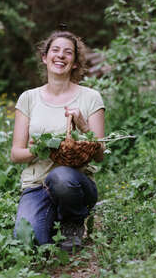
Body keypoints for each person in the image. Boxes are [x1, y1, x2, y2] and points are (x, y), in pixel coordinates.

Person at [10, 31, 105, 251]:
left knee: (60, 176)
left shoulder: (90, 97)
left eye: (68, 52)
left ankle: (73, 221)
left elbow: (100, 155)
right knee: (28, 242)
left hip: (75, 183)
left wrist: (83, 126)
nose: (60, 56)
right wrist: (43, 149)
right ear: (45, 57)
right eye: (55, 50)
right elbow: (16, 154)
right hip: (36, 185)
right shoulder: (28, 98)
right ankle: (51, 220)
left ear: (74, 63)